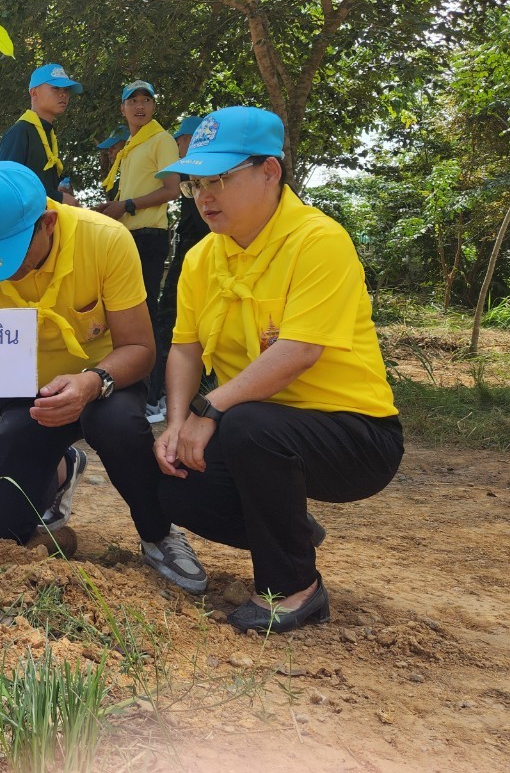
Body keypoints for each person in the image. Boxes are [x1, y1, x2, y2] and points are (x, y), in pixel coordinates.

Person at [0, 162, 208, 594]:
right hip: (27, 401)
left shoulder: (104, 239)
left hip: (105, 384)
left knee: (118, 425)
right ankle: (63, 467)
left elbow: (141, 350)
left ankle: (158, 534)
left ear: (47, 224)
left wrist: (90, 383)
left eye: (10, 254)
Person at [153, 106, 404, 633]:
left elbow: (300, 350)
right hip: (262, 431)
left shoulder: (319, 241)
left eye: (219, 178)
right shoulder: (202, 258)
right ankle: (288, 525)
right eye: (195, 182)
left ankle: (294, 587)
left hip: (354, 434)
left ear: (270, 171)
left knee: (246, 425)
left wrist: (211, 407)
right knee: (164, 470)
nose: (204, 196)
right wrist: (177, 422)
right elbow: (185, 349)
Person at [96, 81, 181, 419]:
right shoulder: (132, 144)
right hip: (129, 235)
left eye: (147, 100)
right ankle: (134, 391)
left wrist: (126, 205)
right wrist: (113, 207)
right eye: (133, 102)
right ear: (123, 109)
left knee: (144, 315)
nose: (140, 106)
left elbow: (172, 189)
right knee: (125, 315)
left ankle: (153, 397)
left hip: (149, 235)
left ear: (154, 106)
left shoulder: (161, 140)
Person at [149, 116, 212, 410]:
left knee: (167, 318)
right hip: (190, 250)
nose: (175, 146)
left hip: (197, 251)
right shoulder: (190, 174)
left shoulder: (204, 174)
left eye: (178, 140)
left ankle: (165, 392)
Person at [0, 63, 83, 205]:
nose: (63, 94)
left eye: (66, 90)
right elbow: (6, 187)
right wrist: (58, 198)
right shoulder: (20, 132)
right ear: (34, 93)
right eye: (55, 88)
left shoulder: (48, 133)